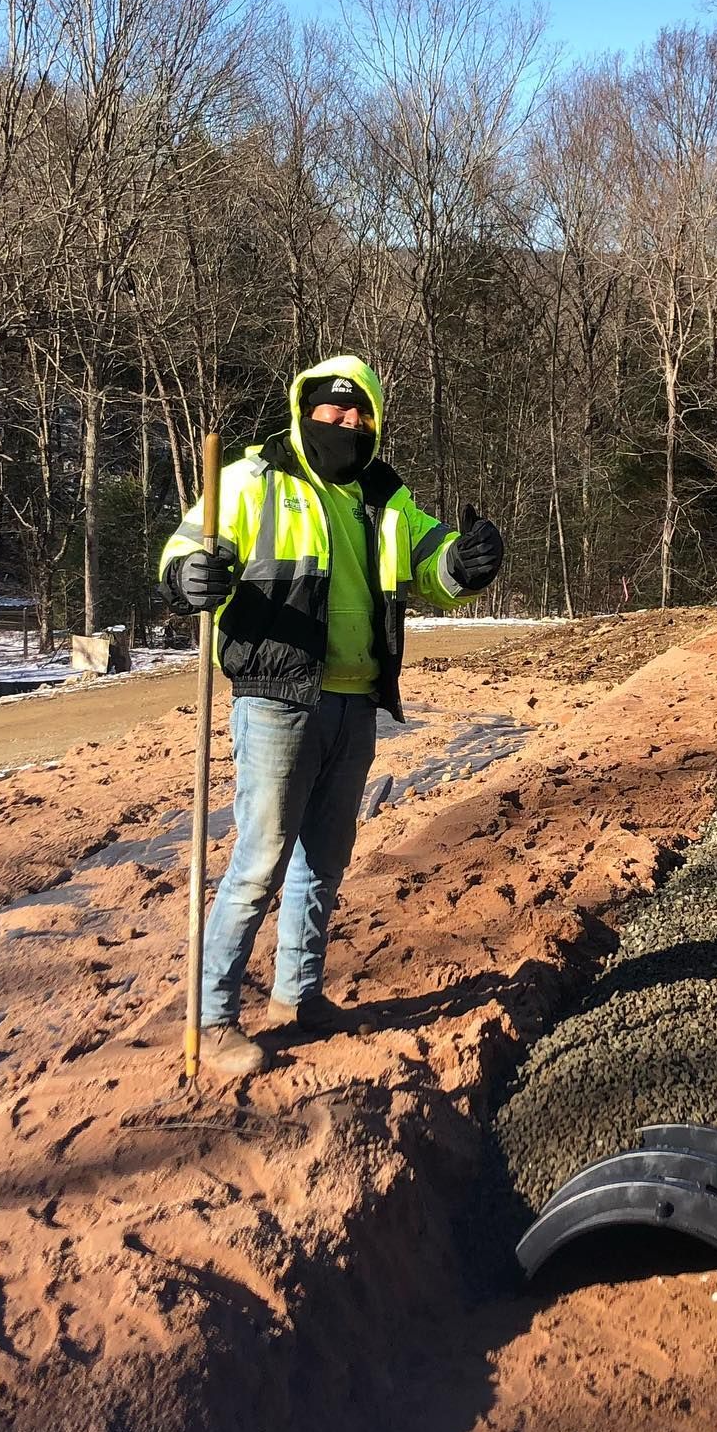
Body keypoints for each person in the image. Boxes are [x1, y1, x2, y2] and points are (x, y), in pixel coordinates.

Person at [159, 355, 506, 1074]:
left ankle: (297, 995)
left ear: (373, 421)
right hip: (277, 696)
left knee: (324, 859)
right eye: (331, 409)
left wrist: (466, 564)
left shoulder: (384, 493)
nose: (345, 421)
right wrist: (187, 575)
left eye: (358, 412)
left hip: (354, 699)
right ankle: (214, 1014)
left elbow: (429, 560)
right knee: (258, 862)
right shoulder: (257, 478)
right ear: (304, 409)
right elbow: (188, 547)